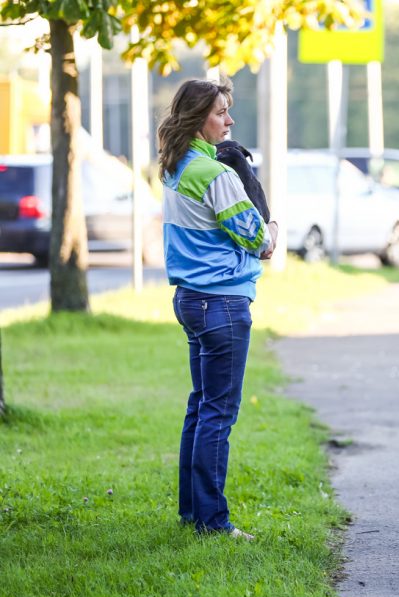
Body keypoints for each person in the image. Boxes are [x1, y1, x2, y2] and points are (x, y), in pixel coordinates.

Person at [157, 78, 278, 539]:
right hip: (222, 304)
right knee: (218, 413)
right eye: (221, 112)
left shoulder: (176, 166)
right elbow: (258, 239)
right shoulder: (217, 175)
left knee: (201, 407)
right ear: (197, 118)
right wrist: (274, 229)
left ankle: (194, 513)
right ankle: (212, 522)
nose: (229, 121)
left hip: (190, 299)